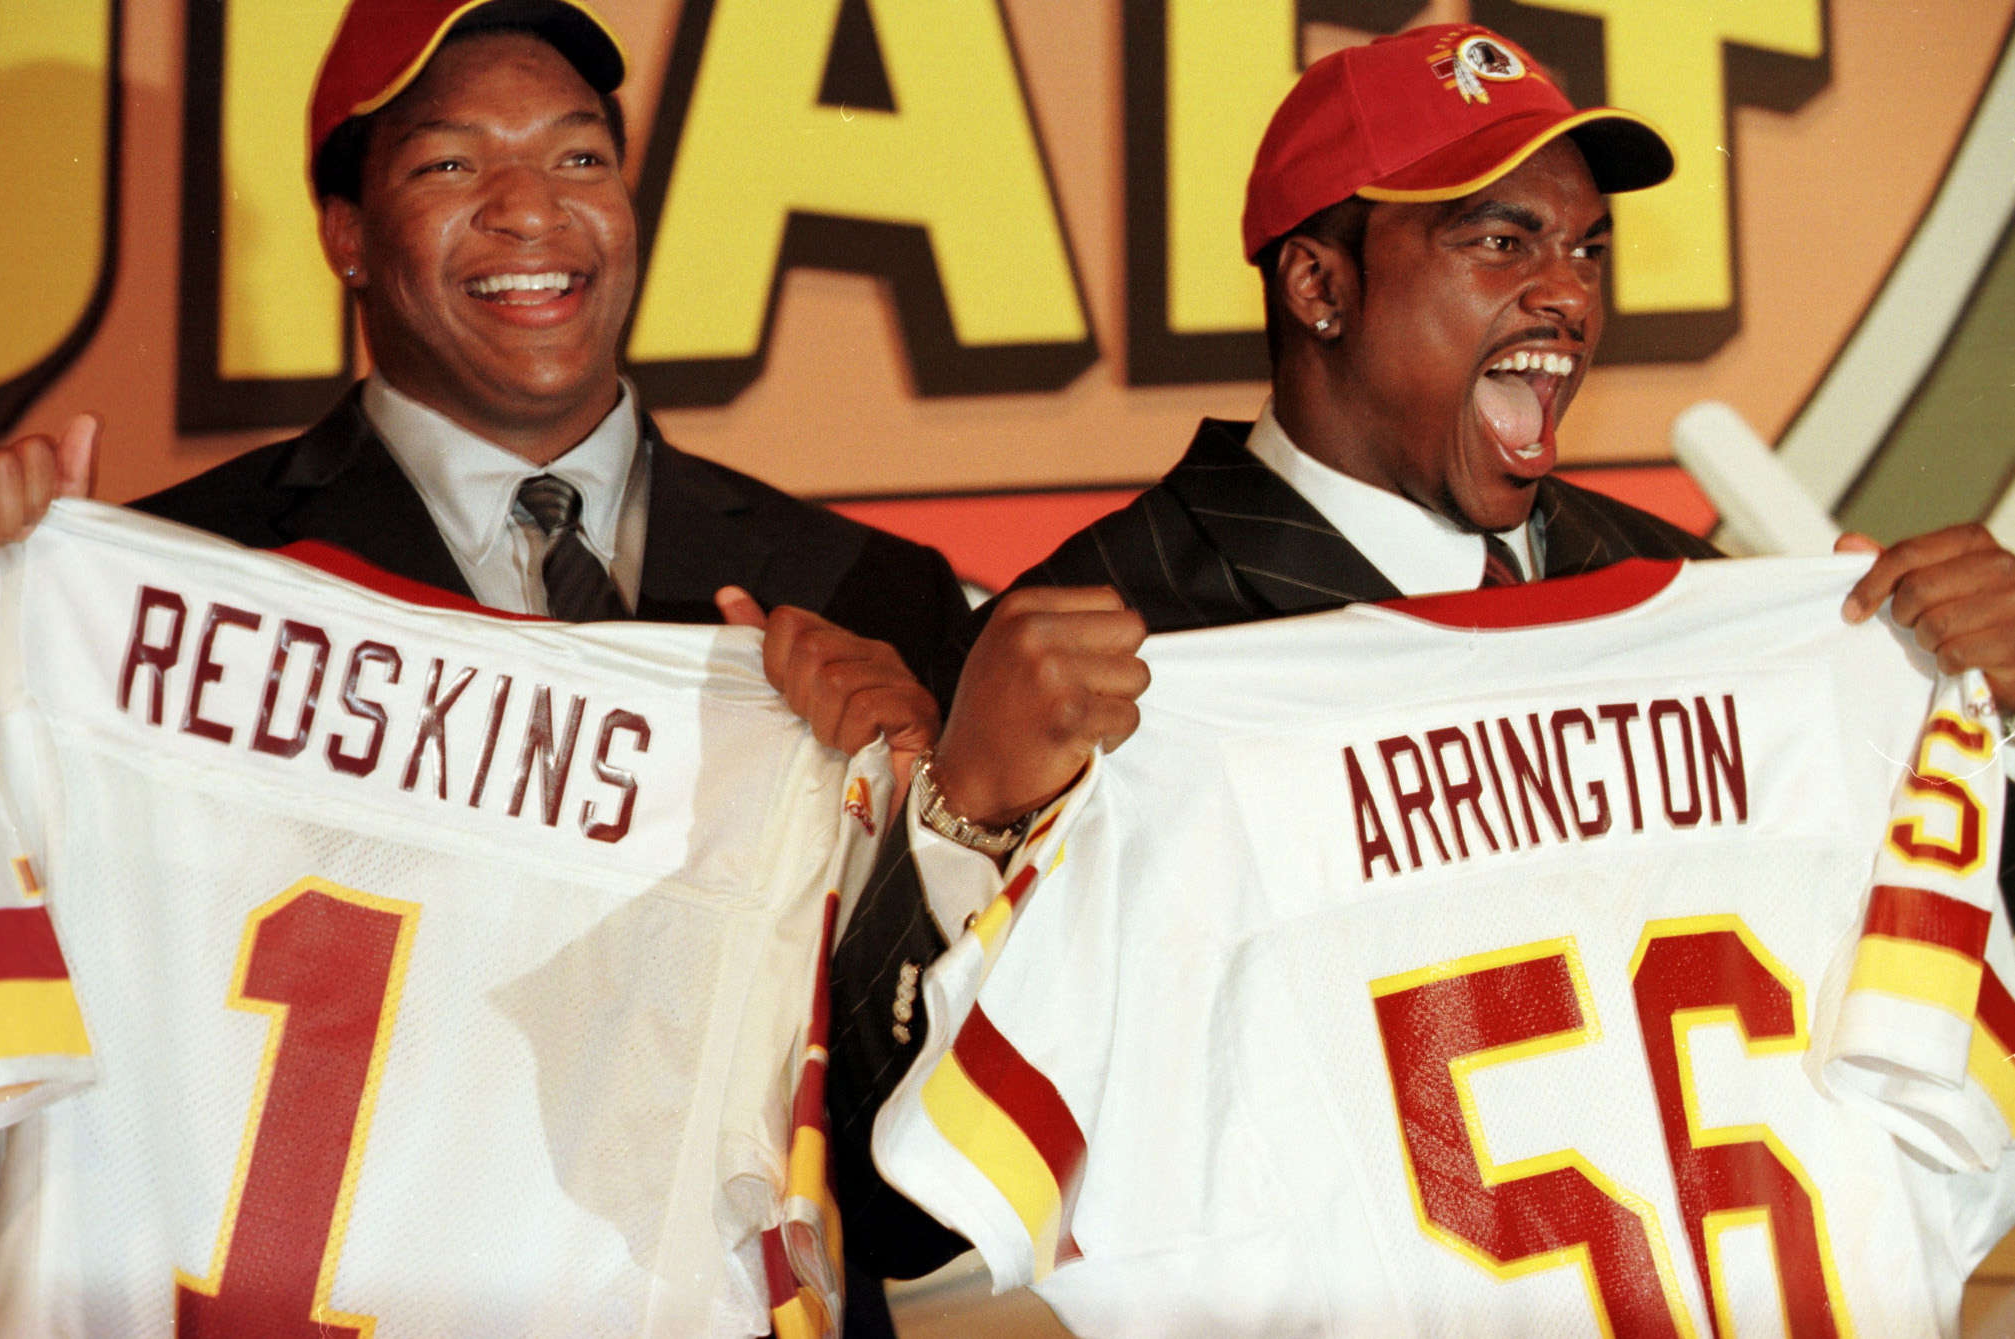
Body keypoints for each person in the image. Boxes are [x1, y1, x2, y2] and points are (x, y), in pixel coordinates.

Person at [827, 21, 2015, 1283]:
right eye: (1499, 241)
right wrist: (967, 825)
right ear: (1318, 287)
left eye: (1585, 250)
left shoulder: (1697, 602)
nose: (1566, 290)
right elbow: (906, 1219)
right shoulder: (1093, 642)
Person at [0, 1, 966, 1332]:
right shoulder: (162, 588)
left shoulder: (872, 603)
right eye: (450, 165)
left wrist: (931, 835)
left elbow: (921, 1206)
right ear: (346, 234)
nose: (527, 211)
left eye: (578, 159)